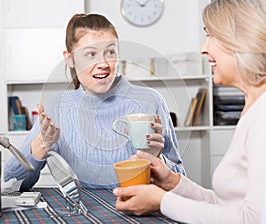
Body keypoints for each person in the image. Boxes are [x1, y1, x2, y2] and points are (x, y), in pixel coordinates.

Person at [113, 0, 266, 223]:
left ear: (241, 38)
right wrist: (172, 183)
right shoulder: (252, 109)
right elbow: (226, 207)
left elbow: (254, 219)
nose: (203, 48)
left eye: (211, 35)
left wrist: (162, 201)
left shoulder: (263, 116)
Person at [4, 13, 185, 190]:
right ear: (70, 59)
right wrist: (38, 150)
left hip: (139, 211)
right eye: (91, 54)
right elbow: (10, 184)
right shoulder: (57, 108)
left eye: (110, 52)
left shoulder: (149, 101)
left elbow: (180, 178)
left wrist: (157, 160)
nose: (103, 63)